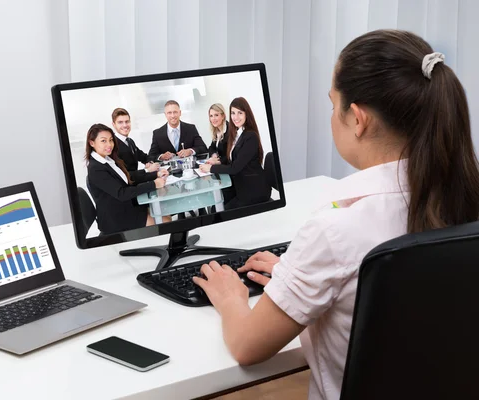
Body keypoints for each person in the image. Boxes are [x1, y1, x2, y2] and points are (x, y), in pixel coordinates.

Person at [192, 29, 479, 400]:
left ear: (357, 119)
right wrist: (294, 275)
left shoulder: (336, 229)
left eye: (332, 104)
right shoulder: (465, 195)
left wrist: (231, 296)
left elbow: (248, 346)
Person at [85, 123, 170, 235]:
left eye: (111, 140)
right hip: (117, 217)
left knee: (165, 211)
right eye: (103, 141)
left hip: (124, 207)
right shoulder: (96, 168)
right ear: (92, 143)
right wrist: (153, 184)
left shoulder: (108, 159)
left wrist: (155, 175)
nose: (109, 144)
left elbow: (128, 177)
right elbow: (122, 193)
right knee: (166, 221)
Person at [199, 97, 270, 209]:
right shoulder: (237, 133)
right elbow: (229, 159)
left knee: (220, 212)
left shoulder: (250, 137)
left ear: (247, 114)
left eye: (240, 113)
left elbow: (235, 168)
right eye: (233, 113)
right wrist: (216, 162)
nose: (235, 117)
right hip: (241, 185)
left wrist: (211, 169)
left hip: (254, 190)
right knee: (214, 206)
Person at [111, 107, 160, 174]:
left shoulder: (129, 141)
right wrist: (147, 170)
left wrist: (151, 162)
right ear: (114, 125)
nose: (125, 125)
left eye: (127, 121)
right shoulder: (112, 145)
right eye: (120, 122)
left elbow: (143, 157)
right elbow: (124, 175)